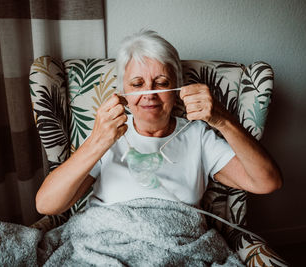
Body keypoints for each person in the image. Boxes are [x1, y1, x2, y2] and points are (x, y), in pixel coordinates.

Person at [35, 30, 282, 215]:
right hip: (105, 240)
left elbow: (267, 181)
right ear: (123, 92)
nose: (149, 93)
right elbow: (47, 205)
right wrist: (97, 142)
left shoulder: (198, 136)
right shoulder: (107, 135)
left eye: (162, 83)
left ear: (176, 90)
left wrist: (223, 120)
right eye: (137, 84)